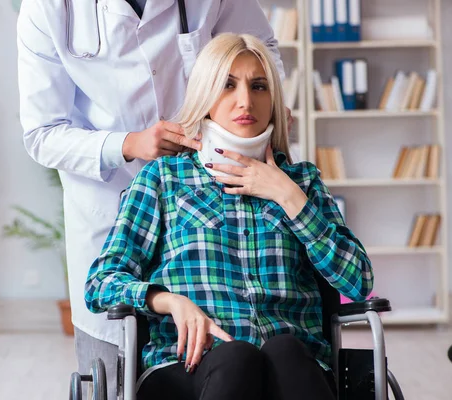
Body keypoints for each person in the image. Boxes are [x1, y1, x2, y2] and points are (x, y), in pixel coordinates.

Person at [16, 1, 290, 397]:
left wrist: (266, 108)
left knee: (248, 358)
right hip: (110, 204)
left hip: (211, 198)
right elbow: (41, 133)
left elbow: (259, 48)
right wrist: (130, 143)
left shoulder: (297, 187)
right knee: (116, 375)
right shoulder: (49, 8)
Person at [85, 33, 374, 400]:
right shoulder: (163, 179)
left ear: (273, 100)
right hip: (188, 367)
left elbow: (359, 282)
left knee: (284, 350)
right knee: (237, 356)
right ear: (205, 96)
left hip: (294, 367)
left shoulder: (303, 182)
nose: (245, 101)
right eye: (227, 85)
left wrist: (287, 195)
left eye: (259, 86)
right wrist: (167, 300)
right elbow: (101, 282)